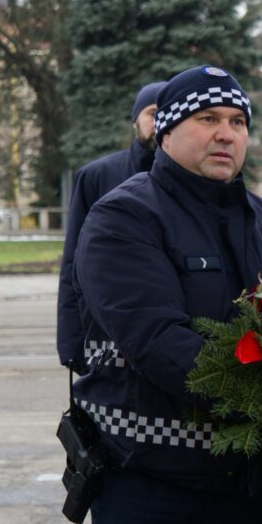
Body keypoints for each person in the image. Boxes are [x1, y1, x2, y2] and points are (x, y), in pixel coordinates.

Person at [71, 65, 262, 524]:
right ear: (166, 132)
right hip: (152, 486)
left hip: (257, 489)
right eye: (207, 118)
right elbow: (157, 340)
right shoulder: (124, 217)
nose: (226, 133)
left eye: (238, 122)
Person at [57, 80, 165, 375]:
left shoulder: (198, 180)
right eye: (152, 113)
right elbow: (73, 263)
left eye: (168, 112)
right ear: (135, 121)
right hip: (104, 334)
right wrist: (71, 343)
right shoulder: (98, 175)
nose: (160, 121)